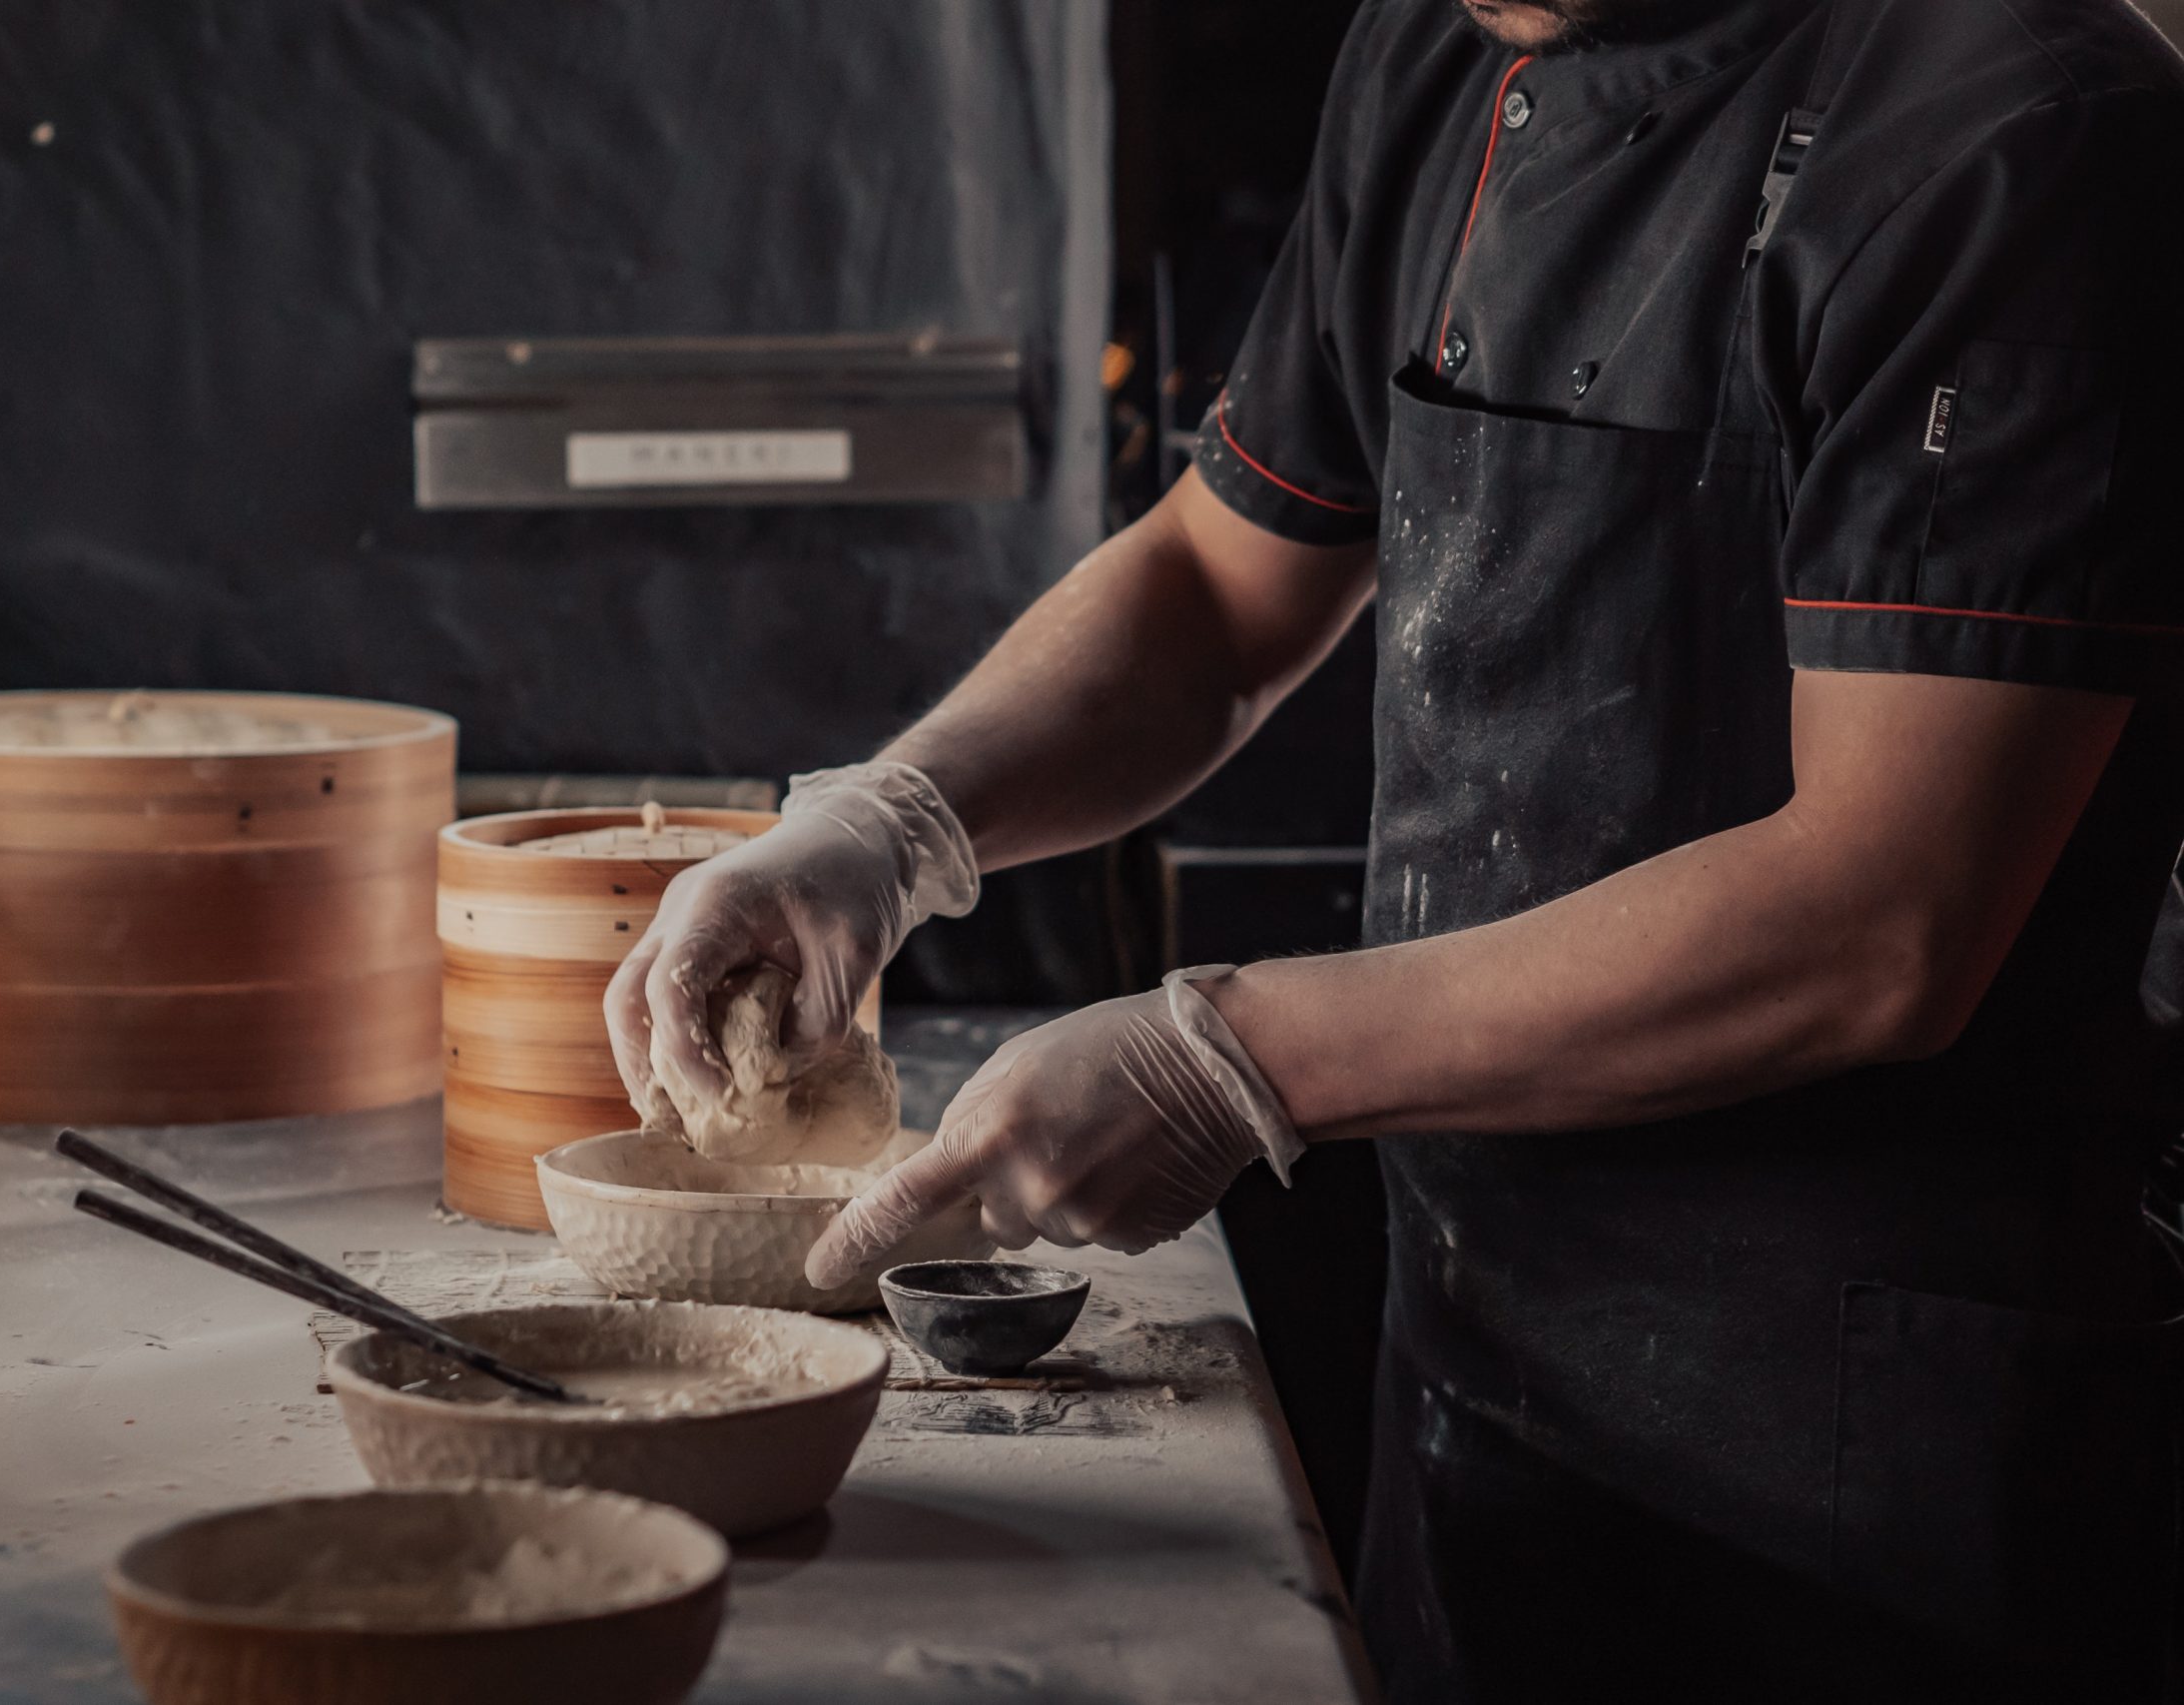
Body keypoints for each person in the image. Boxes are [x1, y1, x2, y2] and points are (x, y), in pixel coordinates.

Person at [605, 0, 2184, 1697]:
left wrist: (1235, 1058)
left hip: (1864, 1446)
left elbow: (1883, 917)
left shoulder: (2028, 133)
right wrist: (886, 819)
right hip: (1480, 1357)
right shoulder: (1444, 55)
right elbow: (1221, 594)